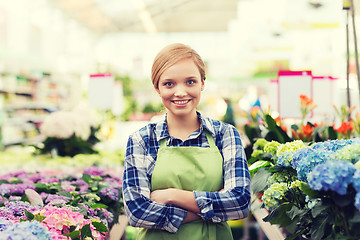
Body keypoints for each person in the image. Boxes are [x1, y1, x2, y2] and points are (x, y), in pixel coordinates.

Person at [122, 43, 251, 240]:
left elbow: (240, 202)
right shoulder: (141, 140)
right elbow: (137, 211)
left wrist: (172, 195)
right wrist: (212, 207)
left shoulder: (225, 135)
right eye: (169, 84)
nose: (180, 92)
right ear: (157, 87)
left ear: (202, 84)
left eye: (190, 82)